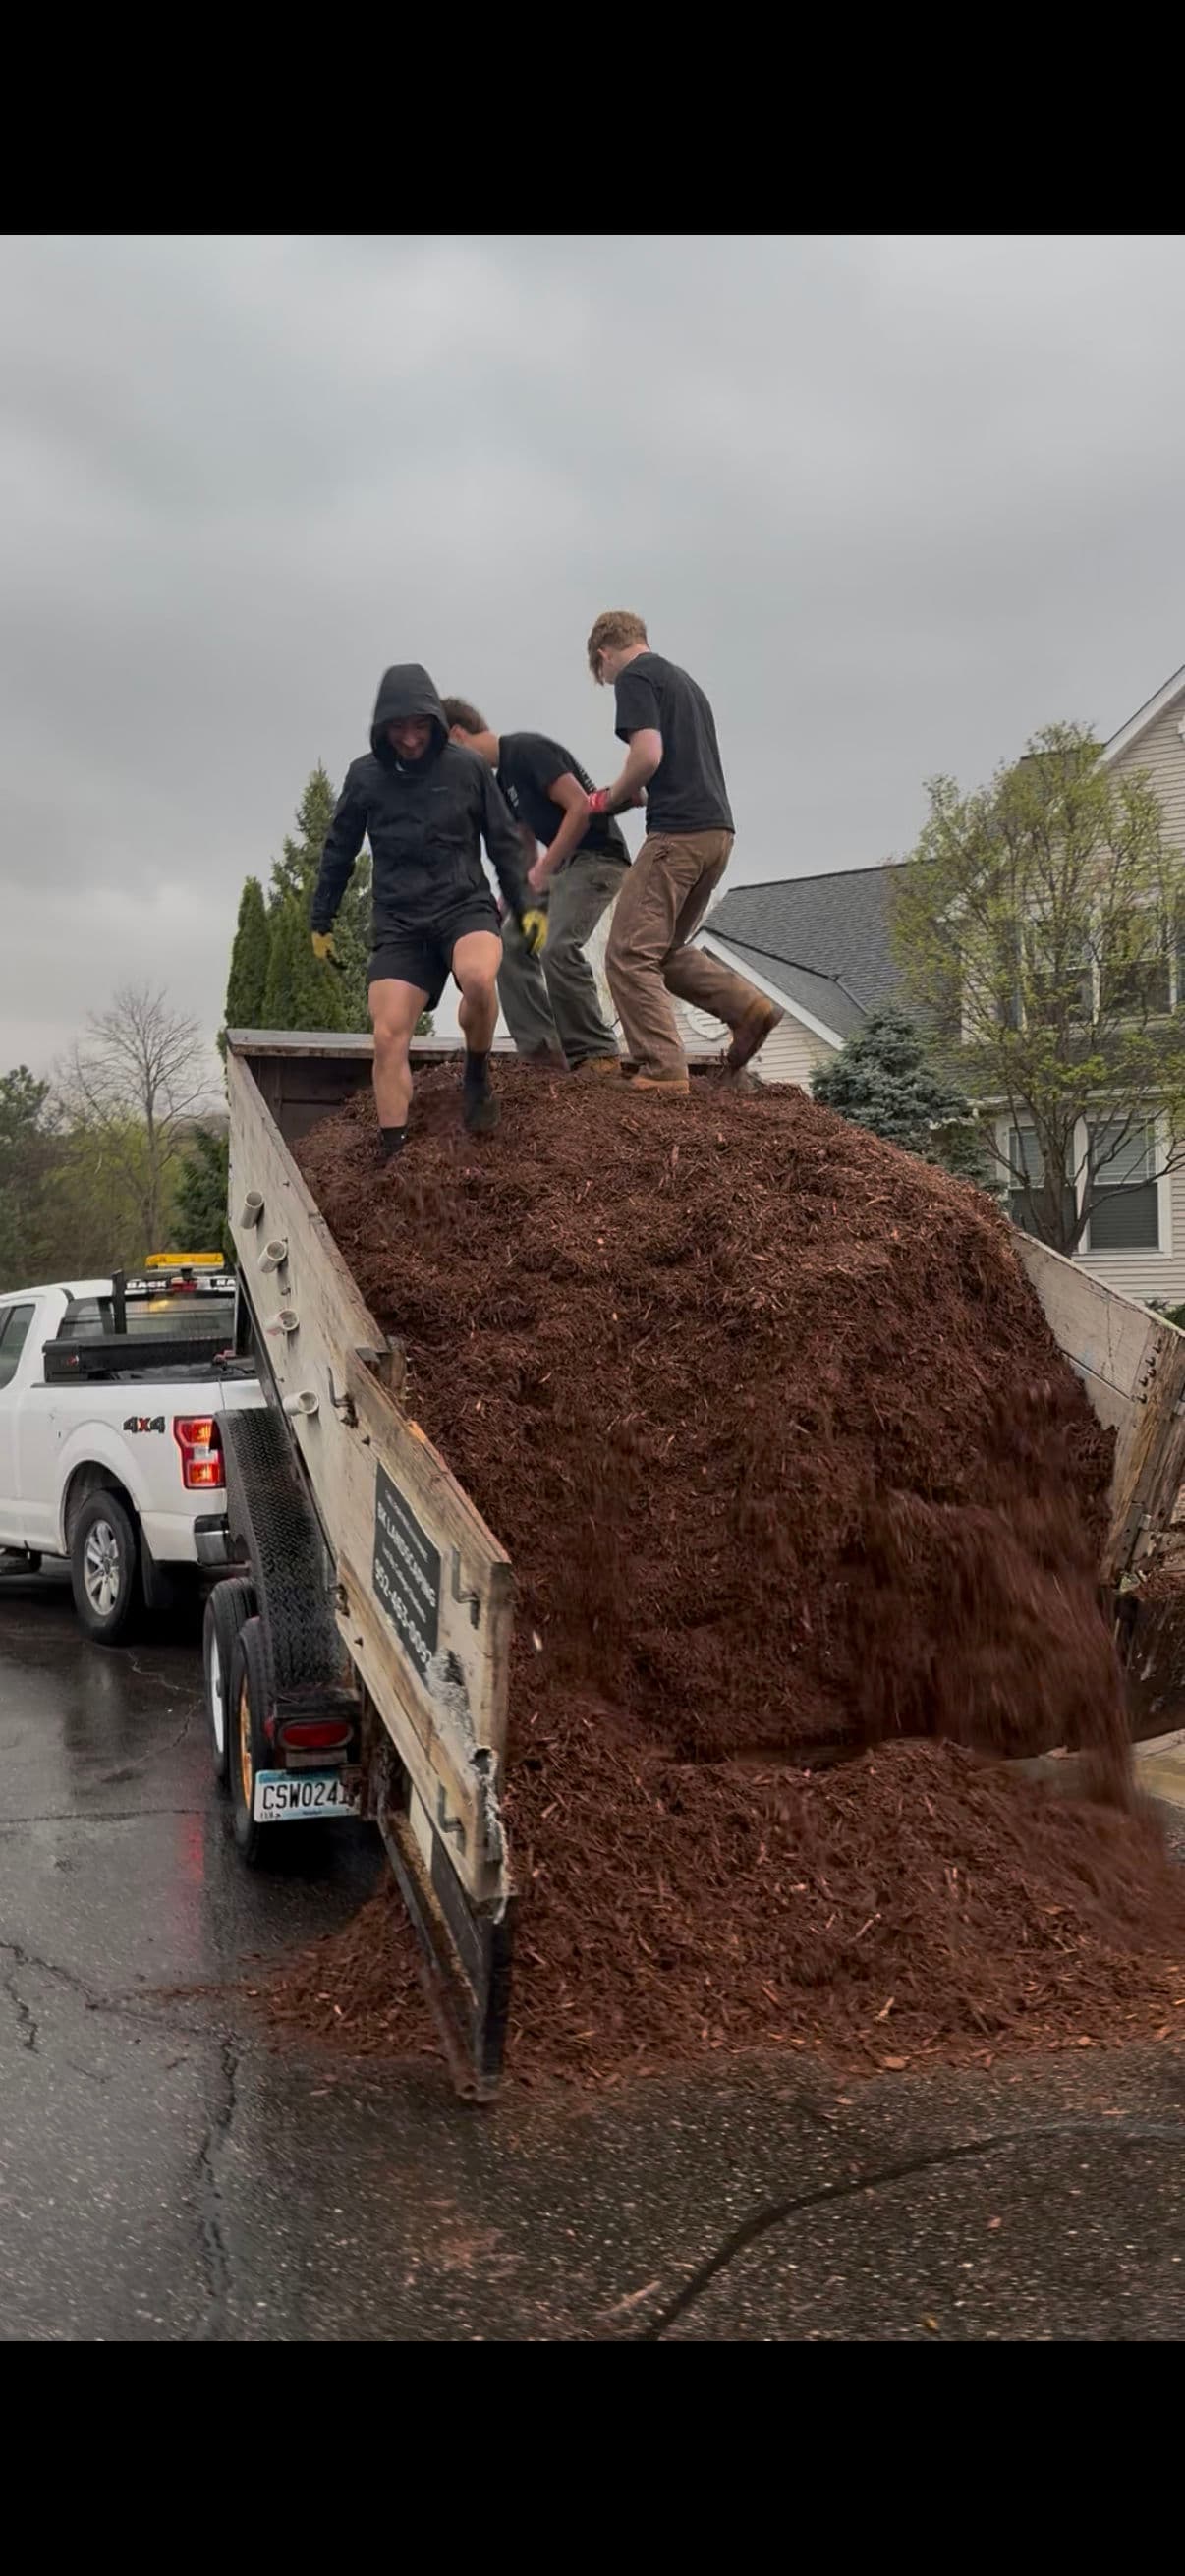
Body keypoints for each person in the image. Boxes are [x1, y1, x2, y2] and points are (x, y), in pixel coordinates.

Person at [310, 665, 546, 1155]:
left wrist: (525, 906)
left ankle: (477, 1078)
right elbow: (339, 849)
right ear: (383, 728)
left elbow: (503, 843)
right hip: (399, 922)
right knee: (387, 1032)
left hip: (463, 906)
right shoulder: (365, 777)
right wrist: (321, 920)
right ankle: (393, 1151)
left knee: (479, 979)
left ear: (436, 722)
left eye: (420, 726)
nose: (411, 738)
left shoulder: (467, 768)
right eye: (399, 728)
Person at [584, 610, 782, 1092]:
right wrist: (639, 793)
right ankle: (748, 1010)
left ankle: (661, 1071)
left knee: (628, 953)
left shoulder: (635, 676)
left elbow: (647, 755)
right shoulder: (684, 684)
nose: (608, 681)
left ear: (604, 654)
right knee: (665, 950)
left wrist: (609, 799)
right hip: (717, 835)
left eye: (601, 674)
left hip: (678, 837)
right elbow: (676, 766)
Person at [442, 699, 626, 1077]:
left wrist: (543, 869)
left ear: (457, 736)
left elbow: (579, 806)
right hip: (563, 869)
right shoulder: (500, 782)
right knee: (510, 943)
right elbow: (522, 848)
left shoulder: (527, 750)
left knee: (557, 945)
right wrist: (507, 901)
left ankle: (598, 1054)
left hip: (598, 859)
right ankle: (545, 1052)